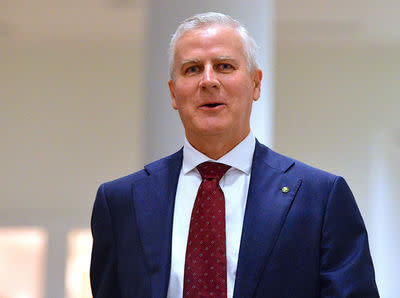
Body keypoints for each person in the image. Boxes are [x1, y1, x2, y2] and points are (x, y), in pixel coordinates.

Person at [90, 12, 379, 298]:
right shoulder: (120, 204)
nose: (208, 80)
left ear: (255, 83)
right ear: (173, 93)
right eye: (192, 69)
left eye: (224, 66)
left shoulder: (321, 199)